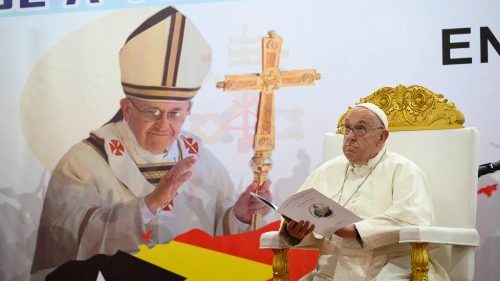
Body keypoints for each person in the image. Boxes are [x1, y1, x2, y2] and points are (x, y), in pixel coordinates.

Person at [31, 6, 271, 278]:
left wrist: (238, 215)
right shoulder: (85, 162)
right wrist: (148, 206)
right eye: (152, 111)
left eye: (175, 113)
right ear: (127, 108)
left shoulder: (200, 159)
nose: (163, 124)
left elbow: (217, 239)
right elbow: (66, 240)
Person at [279, 103, 449, 280]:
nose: (350, 137)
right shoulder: (327, 170)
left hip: (391, 268)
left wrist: (355, 230)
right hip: (332, 270)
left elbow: (413, 220)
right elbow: (295, 215)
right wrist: (294, 232)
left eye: (360, 129)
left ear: (381, 137)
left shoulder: (404, 170)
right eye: (347, 129)